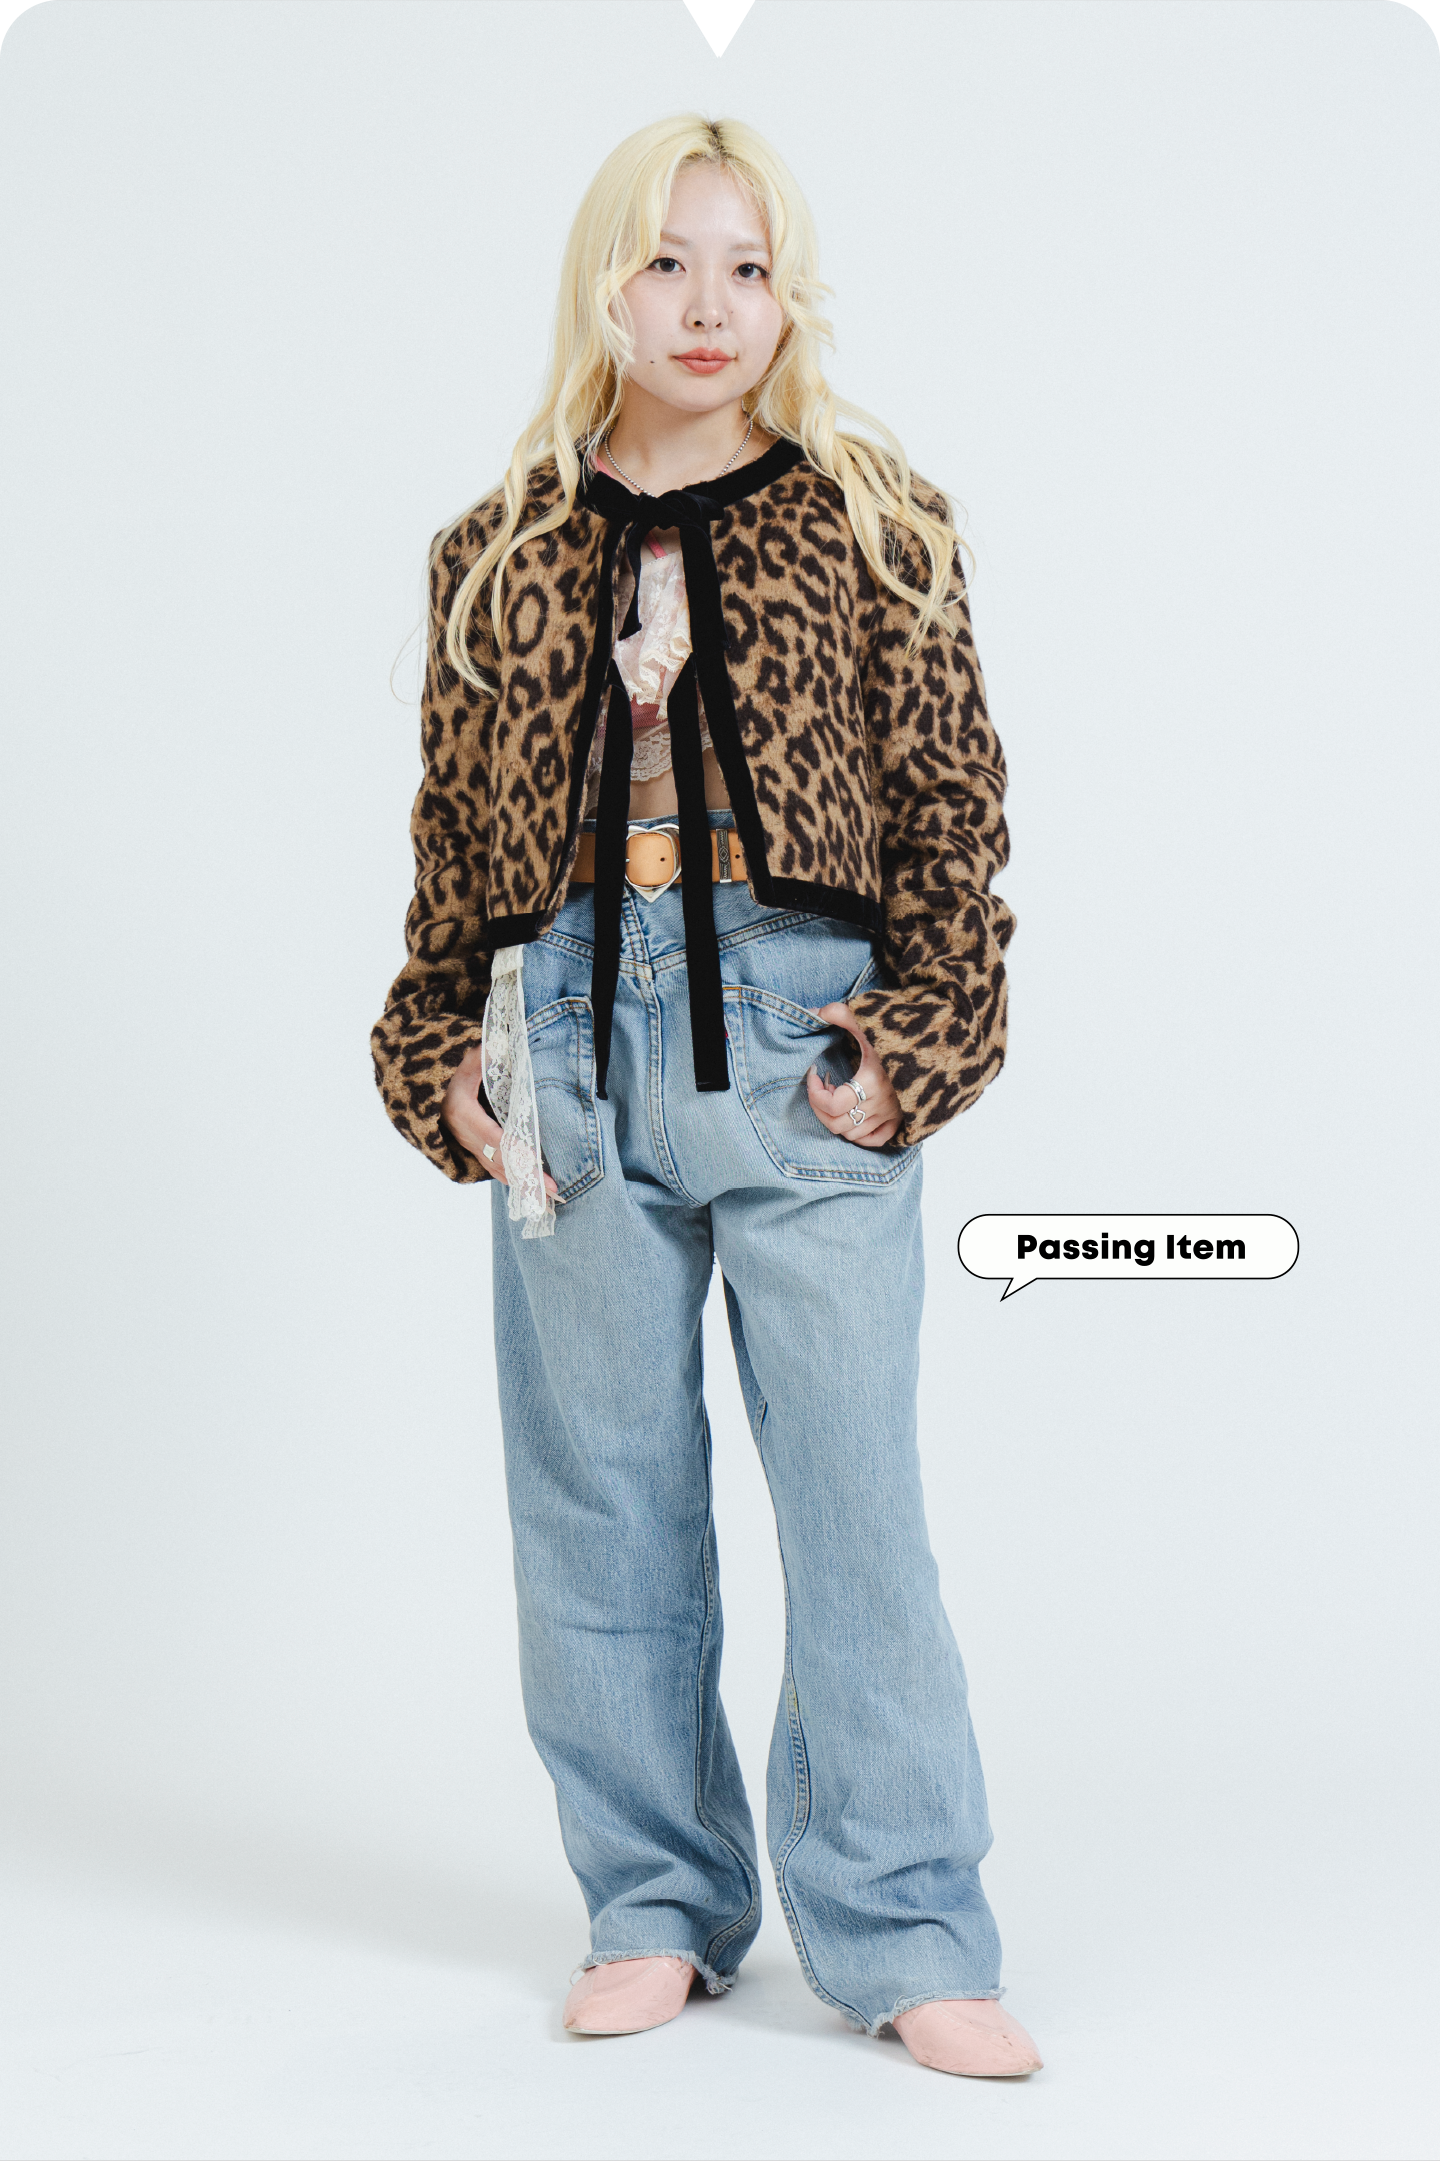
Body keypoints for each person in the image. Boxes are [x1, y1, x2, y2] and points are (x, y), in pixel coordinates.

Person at [371, 113, 1040, 2079]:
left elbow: (955, 816)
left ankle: (905, 1923)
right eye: (666, 260)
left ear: (787, 294)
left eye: (746, 266)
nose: (707, 305)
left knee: (855, 1507)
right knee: (599, 1506)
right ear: (604, 281)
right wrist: (442, 1052)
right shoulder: (497, 552)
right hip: (567, 1050)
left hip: (801, 1032)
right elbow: (448, 849)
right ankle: (654, 1900)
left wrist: (913, 1043)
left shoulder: (874, 520)